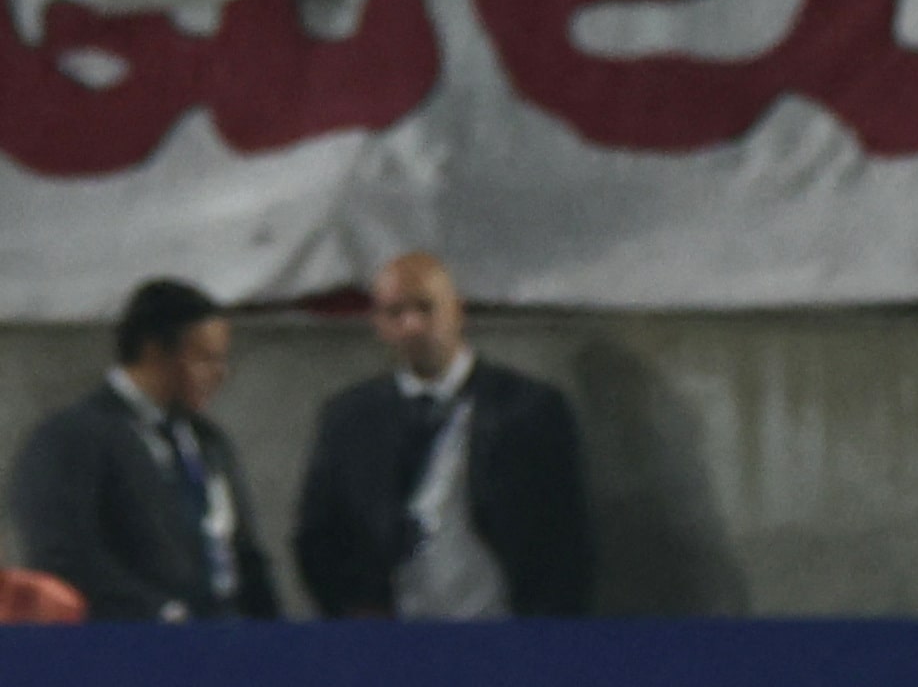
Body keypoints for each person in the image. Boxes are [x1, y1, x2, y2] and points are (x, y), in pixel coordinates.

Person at [293, 250, 593, 619]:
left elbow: (566, 537)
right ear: (378, 324)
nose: (413, 326)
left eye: (426, 308)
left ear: (458, 311)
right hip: (391, 637)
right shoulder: (349, 419)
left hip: (502, 628)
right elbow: (319, 536)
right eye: (395, 313)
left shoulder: (530, 410)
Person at [7, 278, 279, 622]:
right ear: (154, 351)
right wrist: (161, 614)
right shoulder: (72, 436)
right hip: (135, 638)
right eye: (204, 359)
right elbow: (63, 554)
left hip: (228, 633)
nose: (219, 374)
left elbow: (242, 550)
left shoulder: (207, 440)